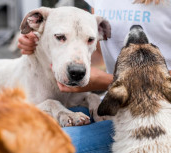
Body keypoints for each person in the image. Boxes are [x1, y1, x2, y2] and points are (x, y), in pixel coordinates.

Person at [18, 0, 171, 152]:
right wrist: (42, 43)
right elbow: (95, 52)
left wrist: (106, 81)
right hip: (114, 103)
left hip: (159, 112)